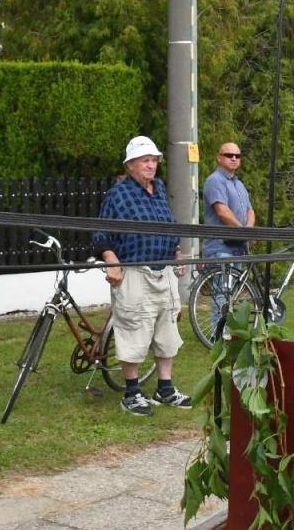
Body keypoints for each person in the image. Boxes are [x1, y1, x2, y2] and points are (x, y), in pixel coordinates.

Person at [94, 136, 192, 416]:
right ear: (131, 165)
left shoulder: (159, 189)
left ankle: (165, 389)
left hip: (163, 271)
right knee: (133, 328)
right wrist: (111, 261)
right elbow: (100, 233)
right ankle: (132, 392)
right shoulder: (118, 194)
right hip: (134, 272)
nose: (151, 166)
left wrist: (177, 253)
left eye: (154, 161)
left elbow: (169, 226)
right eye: (145, 161)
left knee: (166, 328)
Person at [201, 140, 256, 331]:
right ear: (219, 157)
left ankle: (228, 331)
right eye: (229, 155)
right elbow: (222, 212)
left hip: (236, 246)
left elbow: (250, 210)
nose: (233, 158)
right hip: (220, 247)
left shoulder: (239, 184)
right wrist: (244, 231)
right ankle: (217, 334)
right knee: (222, 295)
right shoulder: (215, 181)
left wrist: (247, 229)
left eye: (237, 156)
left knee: (232, 293)